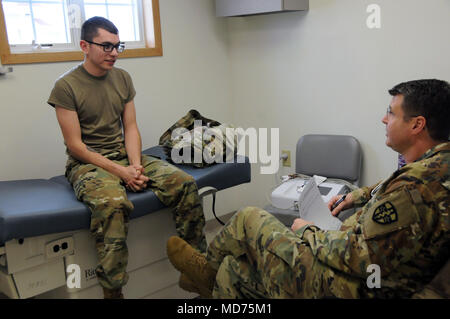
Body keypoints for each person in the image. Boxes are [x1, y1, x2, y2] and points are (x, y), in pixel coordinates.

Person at [167, 79, 450, 299]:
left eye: (391, 112)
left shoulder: (414, 189)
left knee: (248, 218)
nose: (384, 119)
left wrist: (307, 231)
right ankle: (211, 274)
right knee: (233, 269)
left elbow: (359, 257)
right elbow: (394, 183)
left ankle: (204, 271)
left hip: (354, 285)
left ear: (417, 124)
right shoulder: (437, 164)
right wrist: (356, 196)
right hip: (385, 265)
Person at [47, 16, 207, 299]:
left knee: (184, 184)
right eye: (106, 46)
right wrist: (122, 174)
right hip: (88, 163)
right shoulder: (66, 86)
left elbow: (130, 127)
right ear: (85, 45)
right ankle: (113, 291)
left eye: (118, 46)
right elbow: (76, 146)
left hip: (125, 156)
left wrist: (134, 165)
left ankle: (197, 270)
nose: (114, 53)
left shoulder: (122, 78)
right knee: (112, 205)